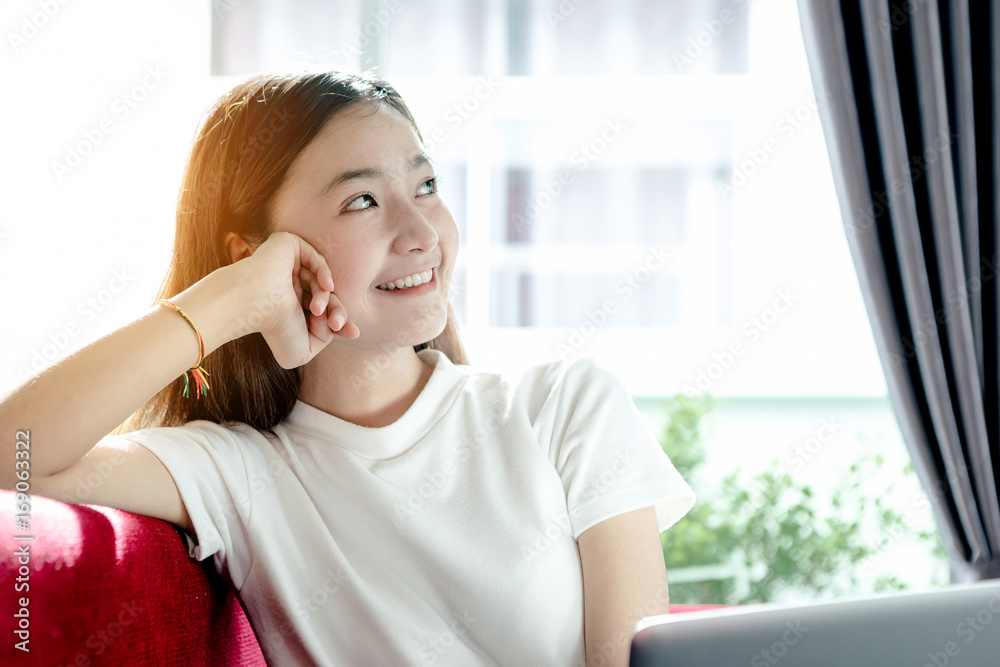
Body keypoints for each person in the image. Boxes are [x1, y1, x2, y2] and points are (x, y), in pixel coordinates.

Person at [0, 71, 695, 666]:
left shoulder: (565, 406)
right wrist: (228, 299)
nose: (422, 233)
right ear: (256, 252)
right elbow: (17, 454)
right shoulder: (240, 473)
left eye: (425, 185)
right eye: (362, 199)